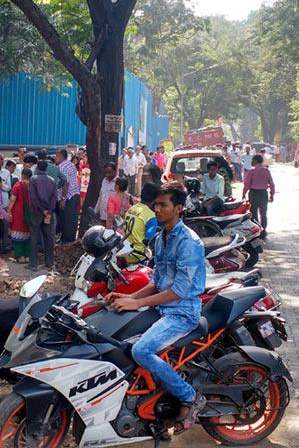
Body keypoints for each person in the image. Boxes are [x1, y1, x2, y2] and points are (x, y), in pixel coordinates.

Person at [107, 181, 206, 434]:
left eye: (164, 205)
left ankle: (190, 396)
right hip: (162, 310)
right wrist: (127, 296)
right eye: (156, 204)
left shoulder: (189, 242)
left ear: (179, 208)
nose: (157, 209)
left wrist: (137, 302)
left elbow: (178, 292)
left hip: (182, 313)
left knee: (141, 351)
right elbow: (157, 282)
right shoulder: (161, 238)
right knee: (120, 340)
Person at [27, 160, 57, 272]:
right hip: (49, 212)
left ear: (37, 168)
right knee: (49, 237)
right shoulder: (52, 181)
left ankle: (33, 264)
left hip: (36, 211)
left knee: (34, 236)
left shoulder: (33, 179)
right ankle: (49, 263)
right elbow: (54, 198)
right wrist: (49, 211)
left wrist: (43, 210)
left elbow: (33, 198)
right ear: (46, 169)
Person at [123, 182, 159, 263]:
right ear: (155, 200)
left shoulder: (131, 209)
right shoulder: (151, 216)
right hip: (139, 256)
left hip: (125, 252)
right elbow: (149, 241)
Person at [242, 154, 275, 238]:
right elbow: (271, 184)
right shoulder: (266, 171)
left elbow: (247, 185)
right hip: (263, 193)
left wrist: (244, 194)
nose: (251, 161)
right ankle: (263, 230)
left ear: (255, 161)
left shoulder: (251, 171)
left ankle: (257, 230)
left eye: (252, 160)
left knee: (253, 213)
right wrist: (272, 194)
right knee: (263, 213)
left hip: (254, 193)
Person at [56, 149, 80, 242]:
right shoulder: (71, 165)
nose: (55, 158)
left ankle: (67, 240)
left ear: (61, 156)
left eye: (56, 156)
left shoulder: (62, 167)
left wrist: (63, 199)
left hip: (68, 196)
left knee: (68, 219)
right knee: (72, 219)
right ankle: (69, 239)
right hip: (75, 193)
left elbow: (66, 183)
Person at [8, 168, 32, 263]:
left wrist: (9, 211)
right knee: (28, 235)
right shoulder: (32, 185)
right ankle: (27, 256)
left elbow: (12, 199)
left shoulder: (17, 185)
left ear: (22, 175)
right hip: (30, 213)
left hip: (18, 213)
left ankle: (20, 257)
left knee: (18, 236)